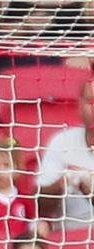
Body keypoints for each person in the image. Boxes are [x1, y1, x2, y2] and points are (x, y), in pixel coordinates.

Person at [37, 79, 94, 231]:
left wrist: (88, 187)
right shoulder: (62, 142)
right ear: (80, 107)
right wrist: (61, 182)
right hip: (66, 240)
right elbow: (39, 206)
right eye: (91, 102)